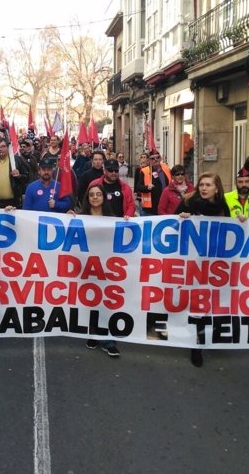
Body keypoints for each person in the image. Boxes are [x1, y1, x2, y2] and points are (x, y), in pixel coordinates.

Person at [175, 172, 231, 367]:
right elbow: (170, 224)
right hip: (192, 263)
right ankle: (195, 346)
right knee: (196, 302)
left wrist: (241, 222)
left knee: (210, 302)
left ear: (217, 188)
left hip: (214, 262)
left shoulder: (223, 207)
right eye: (201, 185)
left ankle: (203, 337)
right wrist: (181, 218)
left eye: (208, 185)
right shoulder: (189, 203)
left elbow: (230, 233)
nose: (204, 188)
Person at [68, 183, 122, 357]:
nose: (95, 197)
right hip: (86, 267)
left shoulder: (112, 218)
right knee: (90, 303)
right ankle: (93, 334)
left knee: (105, 303)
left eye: (98, 194)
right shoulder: (80, 217)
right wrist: (68, 218)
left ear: (103, 197)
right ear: (88, 198)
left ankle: (108, 340)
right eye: (92, 195)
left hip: (107, 268)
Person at [0, 137, 29, 208]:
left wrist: (19, 176)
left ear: (7, 147)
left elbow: (27, 178)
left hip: (12, 202)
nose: (0, 149)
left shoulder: (16, 161)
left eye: (3, 146)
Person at [135, 151, 170, 215]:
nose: (155, 160)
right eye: (152, 158)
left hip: (166, 205)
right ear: (149, 160)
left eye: (157, 157)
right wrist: (147, 187)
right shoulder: (144, 171)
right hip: (151, 207)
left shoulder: (166, 169)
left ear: (160, 158)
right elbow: (138, 187)